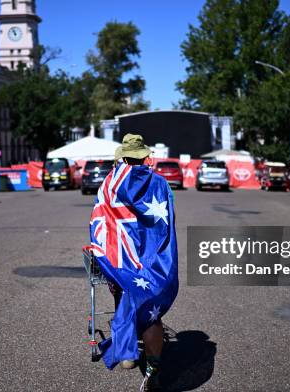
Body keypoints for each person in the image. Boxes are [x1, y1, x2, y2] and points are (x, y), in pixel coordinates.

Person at [89, 134, 179, 391]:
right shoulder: (161, 184)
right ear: (143, 156)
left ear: (122, 158)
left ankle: (127, 350)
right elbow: (167, 219)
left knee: (124, 296)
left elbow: (99, 221)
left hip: (120, 263)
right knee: (152, 315)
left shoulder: (109, 184)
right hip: (152, 264)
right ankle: (152, 368)